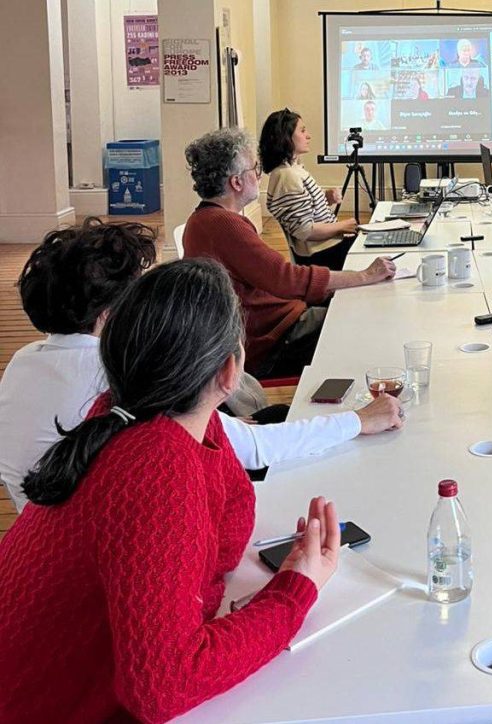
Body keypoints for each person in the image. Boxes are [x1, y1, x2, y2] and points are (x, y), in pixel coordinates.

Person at [0, 258, 342, 721]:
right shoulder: (155, 464)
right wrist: (293, 593)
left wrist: (203, 611)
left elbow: (228, 520)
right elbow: (164, 686)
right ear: (230, 371)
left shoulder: (138, 416)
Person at [0, 219, 402, 512]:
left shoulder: (23, 361)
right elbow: (257, 450)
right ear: (112, 313)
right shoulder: (120, 369)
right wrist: (360, 420)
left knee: (273, 419)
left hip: (48, 533)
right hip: (129, 534)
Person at [183, 128, 395, 378]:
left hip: (272, 326)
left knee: (355, 305)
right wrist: (364, 276)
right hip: (273, 339)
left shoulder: (203, 220)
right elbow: (286, 279)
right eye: (255, 169)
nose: (259, 176)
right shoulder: (224, 225)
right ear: (236, 182)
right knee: (365, 320)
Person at [262, 109, 357, 269]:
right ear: (286, 137)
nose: (308, 136)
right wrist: (342, 226)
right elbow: (305, 231)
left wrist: (326, 197)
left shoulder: (293, 169)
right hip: (323, 253)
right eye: (302, 130)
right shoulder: (287, 176)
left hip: (327, 246)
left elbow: (305, 210)